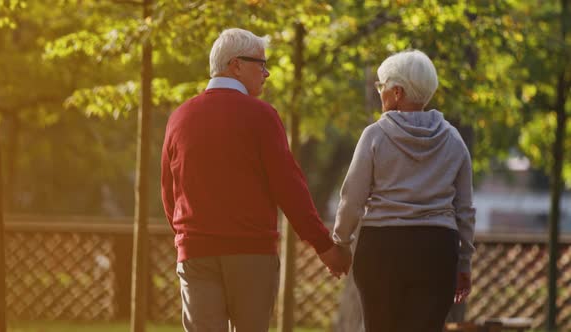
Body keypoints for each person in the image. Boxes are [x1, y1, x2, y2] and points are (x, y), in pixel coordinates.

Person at [161, 28, 351, 332]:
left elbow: (170, 191)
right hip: (250, 251)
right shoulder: (262, 115)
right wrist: (324, 246)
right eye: (261, 64)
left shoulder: (179, 117)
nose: (267, 73)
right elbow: (289, 188)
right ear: (235, 65)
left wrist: (187, 236)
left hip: (195, 252)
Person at [332, 49, 476, 332]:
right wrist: (464, 262)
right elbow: (465, 209)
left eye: (381, 86)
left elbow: (352, 198)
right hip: (437, 249)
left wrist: (341, 242)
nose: (380, 92)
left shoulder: (375, 135)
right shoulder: (453, 139)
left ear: (397, 92)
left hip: (382, 248)